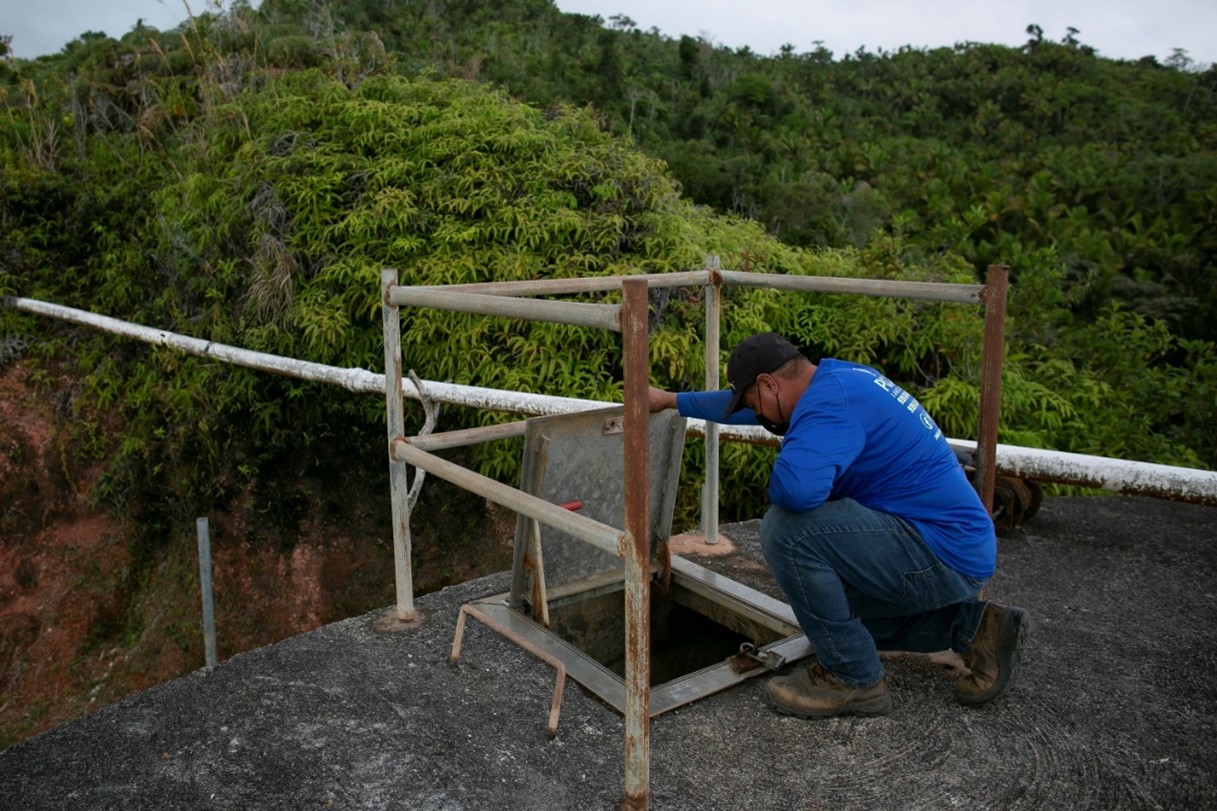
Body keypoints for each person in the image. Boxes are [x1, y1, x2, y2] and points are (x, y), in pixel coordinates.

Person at [648, 332, 1029, 718]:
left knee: (786, 531)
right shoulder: (840, 379)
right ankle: (976, 629)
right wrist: (671, 400)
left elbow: (796, 492)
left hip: (939, 553)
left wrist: (798, 446)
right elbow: (753, 409)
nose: (757, 417)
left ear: (768, 383)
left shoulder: (827, 408)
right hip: (955, 545)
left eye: (754, 403)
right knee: (832, 621)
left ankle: (853, 679)